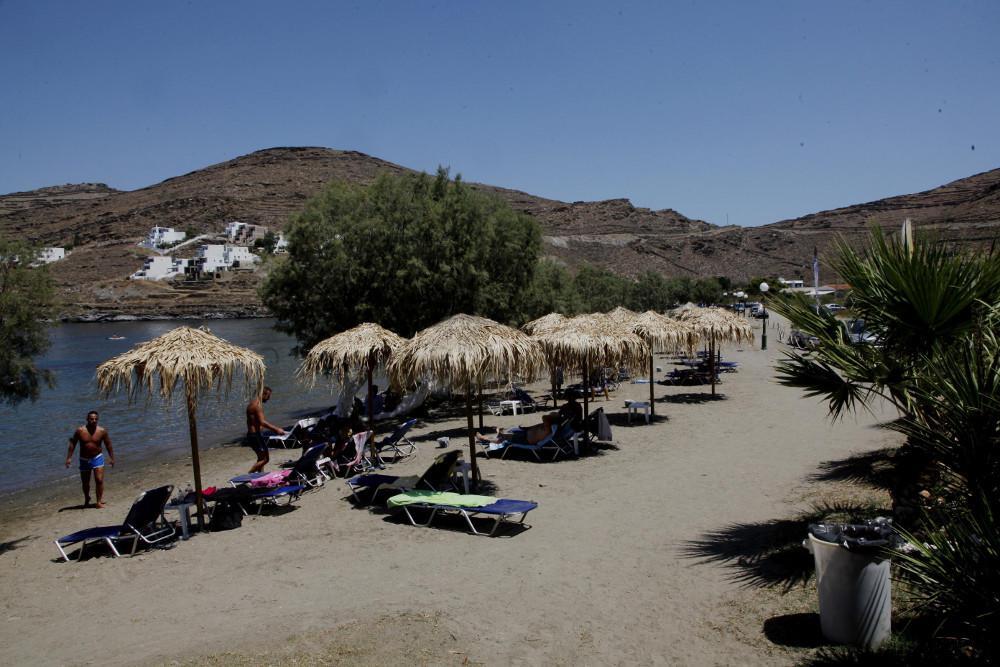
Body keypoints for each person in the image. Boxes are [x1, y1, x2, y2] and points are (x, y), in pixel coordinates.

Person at [65, 410, 115, 508]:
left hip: (97, 457)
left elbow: (108, 444)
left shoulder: (102, 431)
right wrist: (69, 458)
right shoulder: (80, 431)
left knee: (99, 480)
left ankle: (98, 501)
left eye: (96, 419)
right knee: (85, 482)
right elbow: (72, 444)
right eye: (91, 419)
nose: (94, 421)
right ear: (87, 419)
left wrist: (112, 458)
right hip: (84, 459)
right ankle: (87, 497)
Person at [246, 386, 285, 473]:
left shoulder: (253, 404)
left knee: (261, 458)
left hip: (254, 435)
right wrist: (276, 429)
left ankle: (260, 476)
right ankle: (250, 475)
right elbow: (262, 422)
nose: (269, 398)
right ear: (262, 394)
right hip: (255, 435)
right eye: (268, 396)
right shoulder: (257, 406)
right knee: (265, 459)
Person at [476, 413, 557, 446]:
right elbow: (535, 426)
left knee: (501, 438)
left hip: (525, 439)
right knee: (506, 433)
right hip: (525, 433)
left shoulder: (548, 429)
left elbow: (544, 417)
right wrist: (525, 428)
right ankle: (497, 433)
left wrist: (554, 416)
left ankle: (482, 438)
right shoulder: (547, 426)